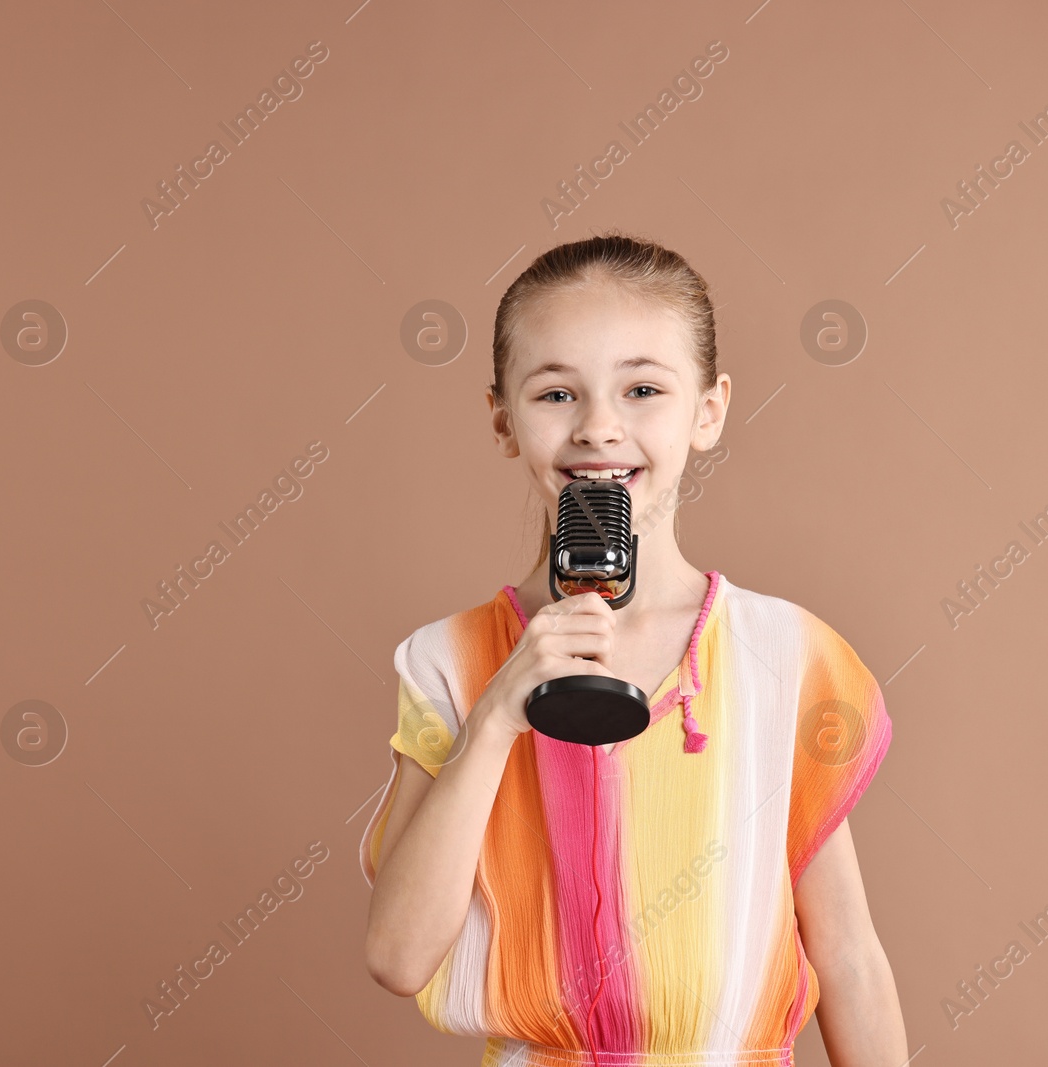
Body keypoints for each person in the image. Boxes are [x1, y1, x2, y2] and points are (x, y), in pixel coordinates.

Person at [361, 232, 907, 1066]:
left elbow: (850, 957)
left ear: (709, 410)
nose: (598, 428)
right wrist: (498, 714)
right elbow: (398, 956)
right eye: (555, 395)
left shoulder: (782, 655)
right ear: (503, 418)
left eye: (643, 388)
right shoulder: (451, 658)